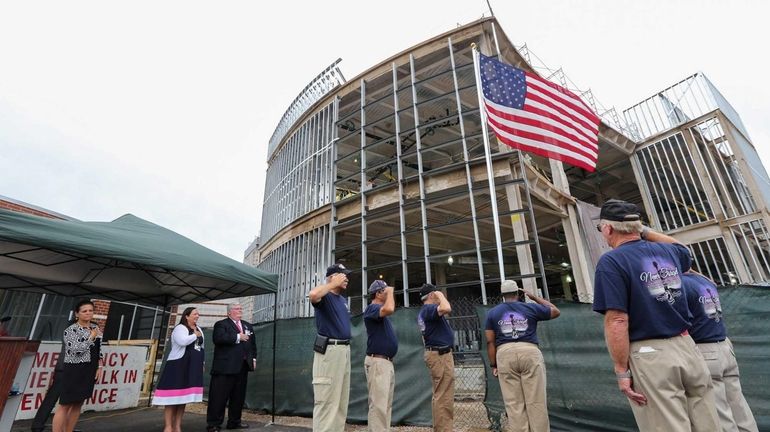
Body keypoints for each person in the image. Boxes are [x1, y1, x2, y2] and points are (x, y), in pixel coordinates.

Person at [592, 199, 719, 431]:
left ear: (608, 229)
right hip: (688, 346)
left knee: (667, 425)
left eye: (601, 229)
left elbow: (618, 319)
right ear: (637, 228)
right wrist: (645, 231)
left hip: (651, 355)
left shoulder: (611, 261)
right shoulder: (667, 252)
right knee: (708, 422)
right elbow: (682, 248)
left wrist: (622, 370)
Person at [682, 272, 758, 432]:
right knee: (739, 406)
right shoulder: (704, 281)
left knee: (721, 413)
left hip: (704, 349)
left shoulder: (681, 284)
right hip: (724, 346)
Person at [484, 280, 560, 432]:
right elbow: (555, 311)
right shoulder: (530, 307)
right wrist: (535, 298)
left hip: (504, 354)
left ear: (502, 295)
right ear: (518, 293)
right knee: (536, 401)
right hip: (529, 351)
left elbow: (490, 341)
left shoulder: (492, 313)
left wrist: (494, 365)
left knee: (514, 403)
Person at [308, 263, 353, 432]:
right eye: (343, 275)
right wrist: (332, 284)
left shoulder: (342, 299)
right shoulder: (325, 296)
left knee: (340, 402)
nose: (346, 278)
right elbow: (313, 295)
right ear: (332, 277)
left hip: (344, 351)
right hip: (330, 351)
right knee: (326, 401)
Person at [52, 300, 103, 432]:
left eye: (90, 310)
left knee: (78, 404)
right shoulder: (71, 330)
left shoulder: (96, 328)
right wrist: (91, 337)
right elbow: (77, 350)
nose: (88, 313)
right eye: (84, 311)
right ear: (77, 314)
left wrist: (100, 366)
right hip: (74, 369)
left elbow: (99, 350)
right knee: (65, 404)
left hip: (89, 369)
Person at [152, 307, 205, 432]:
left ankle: (177, 426)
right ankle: (168, 426)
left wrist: (202, 362)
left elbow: (202, 346)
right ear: (187, 316)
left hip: (192, 366)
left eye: (198, 313)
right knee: (172, 398)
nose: (197, 315)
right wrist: (194, 335)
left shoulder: (199, 329)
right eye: (194, 314)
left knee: (183, 398)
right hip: (178, 366)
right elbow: (182, 341)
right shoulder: (180, 328)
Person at [206, 303, 257, 432]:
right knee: (219, 397)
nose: (240, 310)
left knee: (238, 397)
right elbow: (219, 339)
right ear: (229, 312)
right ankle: (214, 424)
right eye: (236, 309)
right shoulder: (221, 324)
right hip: (224, 368)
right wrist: (238, 337)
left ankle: (234, 422)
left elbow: (252, 344)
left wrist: (253, 359)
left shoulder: (247, 325)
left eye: (240, 308)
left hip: (242, 367)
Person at [417, 283, 454, 432]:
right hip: (440, 355)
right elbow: (446, 308)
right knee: (443, 396)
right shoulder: (428, 309)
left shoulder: (425, 311)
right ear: (431, 295)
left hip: (437, 354)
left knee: (441, 394)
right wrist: (441, 295)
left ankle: (443, 428)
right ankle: (443, 429)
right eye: (436, 294)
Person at [363, 279, 398, 432]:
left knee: (385, 406)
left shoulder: (379, 311)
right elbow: (390, 308)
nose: (389, 292)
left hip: (386, 362)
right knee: (378, 406)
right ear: (378, 293)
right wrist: (390, 291)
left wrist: (388, 292)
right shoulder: (372, 309)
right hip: (378, 362)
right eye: (384, 291)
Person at [30, 341, 74, 432]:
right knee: (64, 402)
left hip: (64, 367)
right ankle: (40, 424)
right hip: (67, 367)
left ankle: (38, 424)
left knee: (53, 397)